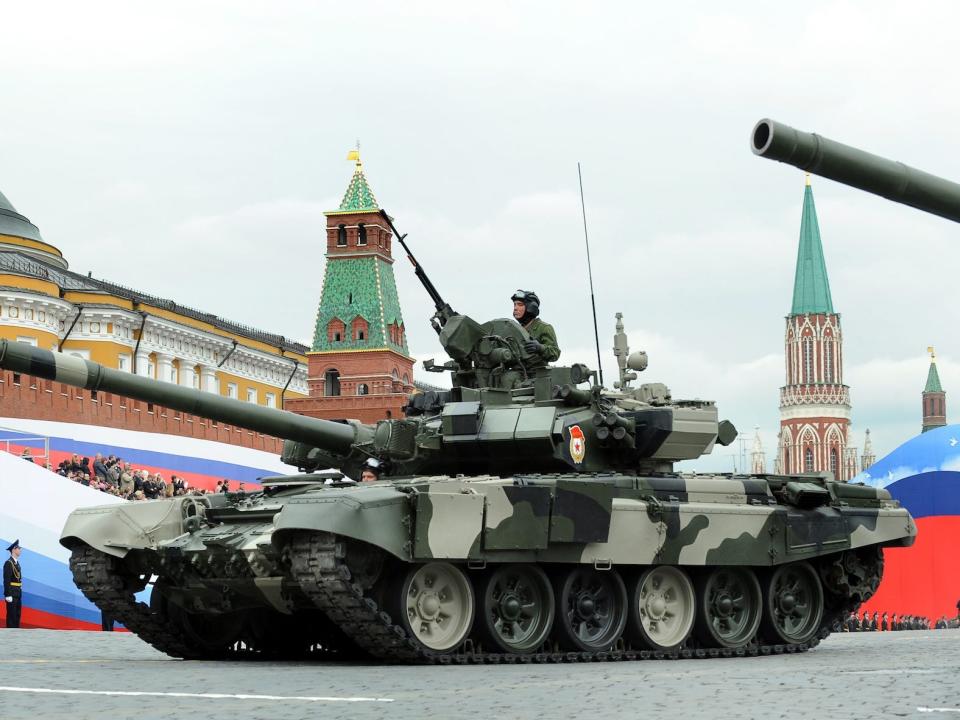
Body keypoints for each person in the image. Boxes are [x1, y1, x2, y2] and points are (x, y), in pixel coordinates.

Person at [511, 290, 560, 363]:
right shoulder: (514, 330)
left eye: (520, 304)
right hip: (515, 372)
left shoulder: (544, 328)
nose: (515, 308)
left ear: (531, 308)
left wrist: (540, 348)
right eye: (515, 305)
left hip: (539, 372)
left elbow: (555, 353)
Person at [3, 539, 23, 628]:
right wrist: (7, 594)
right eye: (19, 548)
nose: (20, 550)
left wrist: (20, 589)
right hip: (11, 592)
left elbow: (18, 578)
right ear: (14, 549)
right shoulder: (8, 563)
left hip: (18, 592)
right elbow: (6, 580)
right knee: (11, 616)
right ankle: (10, 638)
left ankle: (16, 637)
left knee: (17, 615)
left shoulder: (17, 563)